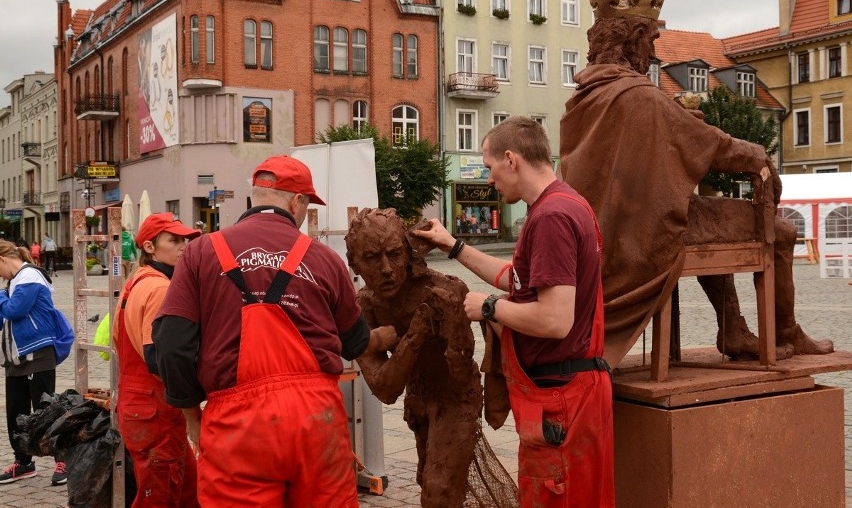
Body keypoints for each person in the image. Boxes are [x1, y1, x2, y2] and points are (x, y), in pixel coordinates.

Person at [559, 0, 832, 366]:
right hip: (645, 233)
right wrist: (755, 153)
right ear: (635, 40)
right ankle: (784, 331)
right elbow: (713, 146)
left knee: (707, 213)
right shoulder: (639, 94)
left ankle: (732, 328)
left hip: (615, 229)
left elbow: (663, 142)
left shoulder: (585, 97)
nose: (650, 53)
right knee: (782, 231)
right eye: (650, 43)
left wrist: (680, 128)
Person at [152, 155, 398, 507]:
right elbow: (355, 341)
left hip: (237, 429)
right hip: (315, 422)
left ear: (254, 199)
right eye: (308, 203)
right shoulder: (324, 258)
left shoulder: (201, 253)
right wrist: (387, 335)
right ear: (297, 202)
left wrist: (193, 419)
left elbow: (171, 344)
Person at [413, 117, 614, 508]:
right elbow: (518, 279)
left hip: (560, 402)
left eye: (489, 167)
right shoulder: (569, 202)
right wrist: (453, 246)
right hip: (574, 395)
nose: (489, 179)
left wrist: (488, 307)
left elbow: (555, 320)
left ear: (511, 159)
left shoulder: (551, 217)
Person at [345, 208, 482, 508]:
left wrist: (456, 327)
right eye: (371, 258)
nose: (386, 269)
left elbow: (462, 377)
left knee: (438, 491)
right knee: (429, 483)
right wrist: (416, 334)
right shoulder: (365, 306)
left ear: (407, 253)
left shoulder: (444, 289)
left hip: (455, 398)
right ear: (353, 262)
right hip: (419, 402)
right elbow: (385, 389)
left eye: (394, 254)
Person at [113, 213, 200, 507]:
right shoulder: (161, 287)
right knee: (159, 495)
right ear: (150, 247)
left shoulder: (135, 281)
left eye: (185, 240)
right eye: (174, 241)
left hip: (139, 404)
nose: (183, 247)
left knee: (189, 489)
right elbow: (158, 358)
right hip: (155, 409)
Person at [0, 239, 74, 485]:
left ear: (2, 259)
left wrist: (1, 296)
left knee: (46, 411)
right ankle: (23, 462)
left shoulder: (29, 276)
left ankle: (63, 459)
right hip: (16, 358)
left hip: (38, 354)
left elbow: (14, 310)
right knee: (16, 412)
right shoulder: (14, 282)